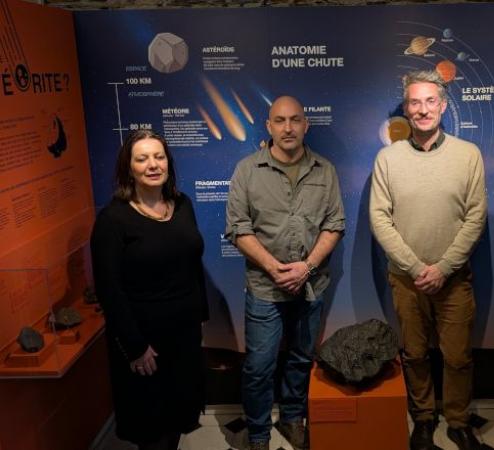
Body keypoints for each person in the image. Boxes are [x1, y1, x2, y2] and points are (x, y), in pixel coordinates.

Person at [370, 70, 487, 450]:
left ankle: (458, 420)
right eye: (415, 103)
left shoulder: (469, 155)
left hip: (453, 278)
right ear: (406, 108)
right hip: (407, 280)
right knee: (415, 354)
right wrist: (419, 269)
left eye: (430, 101)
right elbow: (379, 220)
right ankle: (422, 418)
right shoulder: (388, 159)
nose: (423, 110)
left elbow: (476, 217)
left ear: (443, 105)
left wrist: (443, 268)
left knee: (458, 357)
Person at [225, 95, 345, 450]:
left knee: (300, 358)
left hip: (311, 286)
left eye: (295, 120)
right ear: (269, 126)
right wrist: (274, 267)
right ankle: (259, 433)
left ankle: (293, 418)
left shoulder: (325, 170)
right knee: (259, 366)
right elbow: (237, 227)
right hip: (265, 287)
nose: (288, 127)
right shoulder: (247, 170)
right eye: (280, 120)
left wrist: (306, 267)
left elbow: (335, 224)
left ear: (306, 125)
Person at [90, 130, 208, 450]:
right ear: (129, 168)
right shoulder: (113, 220)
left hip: (183, 339)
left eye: (159, 157)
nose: (152, 165)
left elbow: (193, 266)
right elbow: (109, 290)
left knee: (177, 420)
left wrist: (200, 317)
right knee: (152, 430)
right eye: (142, 159)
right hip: (145, 345)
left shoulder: (182, 205)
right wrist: (135, 346)